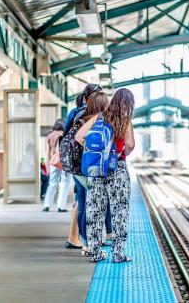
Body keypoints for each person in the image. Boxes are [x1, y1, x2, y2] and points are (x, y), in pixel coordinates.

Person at [78, 88, 135, 263]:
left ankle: (95, 252)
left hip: (96, 170)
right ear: (129, 104)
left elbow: (80, 137)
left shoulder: (99, 117)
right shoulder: (125, 121)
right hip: (116, 169)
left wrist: (97, 153)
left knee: (95, 210)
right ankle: (117, 254)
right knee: (119, 211)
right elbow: (130, 145)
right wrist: (119, 153)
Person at [73, 91, 110, 255]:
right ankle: (88, 243)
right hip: (89, 168)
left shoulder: (81, 118)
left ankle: (84, 242)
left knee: (83, 205)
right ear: (102, 105)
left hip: (77, 168)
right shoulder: (97, 121)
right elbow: (79, 138)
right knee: (91, 206)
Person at [43, 119, 72, 212]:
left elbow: (47, 152)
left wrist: (48, 164)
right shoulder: (63, 134)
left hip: (53, 161)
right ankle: (61, 206)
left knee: (52, 183)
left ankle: (46, 205)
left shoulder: (50, 135)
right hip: (63, 161)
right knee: (65, 182)